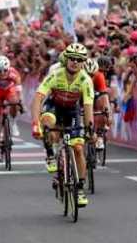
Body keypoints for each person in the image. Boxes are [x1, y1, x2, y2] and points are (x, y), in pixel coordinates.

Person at [31, 43, 95, 207]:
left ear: (83, 62)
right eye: (72, 58)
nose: (75, 62)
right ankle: (51, 154)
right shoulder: (55, 74)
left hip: (72, 111)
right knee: (49, 124)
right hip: (54, 106)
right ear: (66, 59)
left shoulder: (86, 80)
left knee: (79, 149)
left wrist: (90, 129)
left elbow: (88, 107)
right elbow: (38, 97)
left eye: (79, 59)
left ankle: (80, 189)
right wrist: (35, 124)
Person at [0, 55, 23, 163]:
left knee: (15, 102)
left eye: (4, 71)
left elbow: (19, 90)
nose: (2, 73)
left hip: (8, 90)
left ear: (8, 68)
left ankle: (14, 123)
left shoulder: (14, 73)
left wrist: (20, 102)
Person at [84, 58, 112, 150]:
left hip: (94, 94)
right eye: (87, 75)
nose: (89, 77)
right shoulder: (78, 76)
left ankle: (99, 136)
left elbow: (104, 96)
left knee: (102, 105)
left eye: (92, 75)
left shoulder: (99, 76)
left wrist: (108, 112)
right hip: (81, 95)